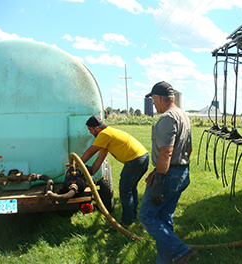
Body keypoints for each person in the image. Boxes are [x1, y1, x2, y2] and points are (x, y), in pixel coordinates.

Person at [139, 81, 196, 264]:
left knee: (147, 216)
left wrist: (159, 181)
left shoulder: (166, 118)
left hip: (169, 175)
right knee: (163, 218)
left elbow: (167, 151)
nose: (153, 104)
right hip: (181, 173)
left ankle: (182, 251)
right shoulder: (183, 115)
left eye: (153, 100)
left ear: (158, 98)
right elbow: (189, 148)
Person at [72, 115, 149, 227]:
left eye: (90, 129)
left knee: (125, 190)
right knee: (131, 189)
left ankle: (127, 221)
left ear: (97, 128)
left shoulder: (104, 134)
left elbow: (90, 152)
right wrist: (90, 173)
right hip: (142, 157)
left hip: (135, 160)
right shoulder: (107, 136)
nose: (90, 133)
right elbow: (99, 160)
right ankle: (132, 216)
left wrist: (76, 164)